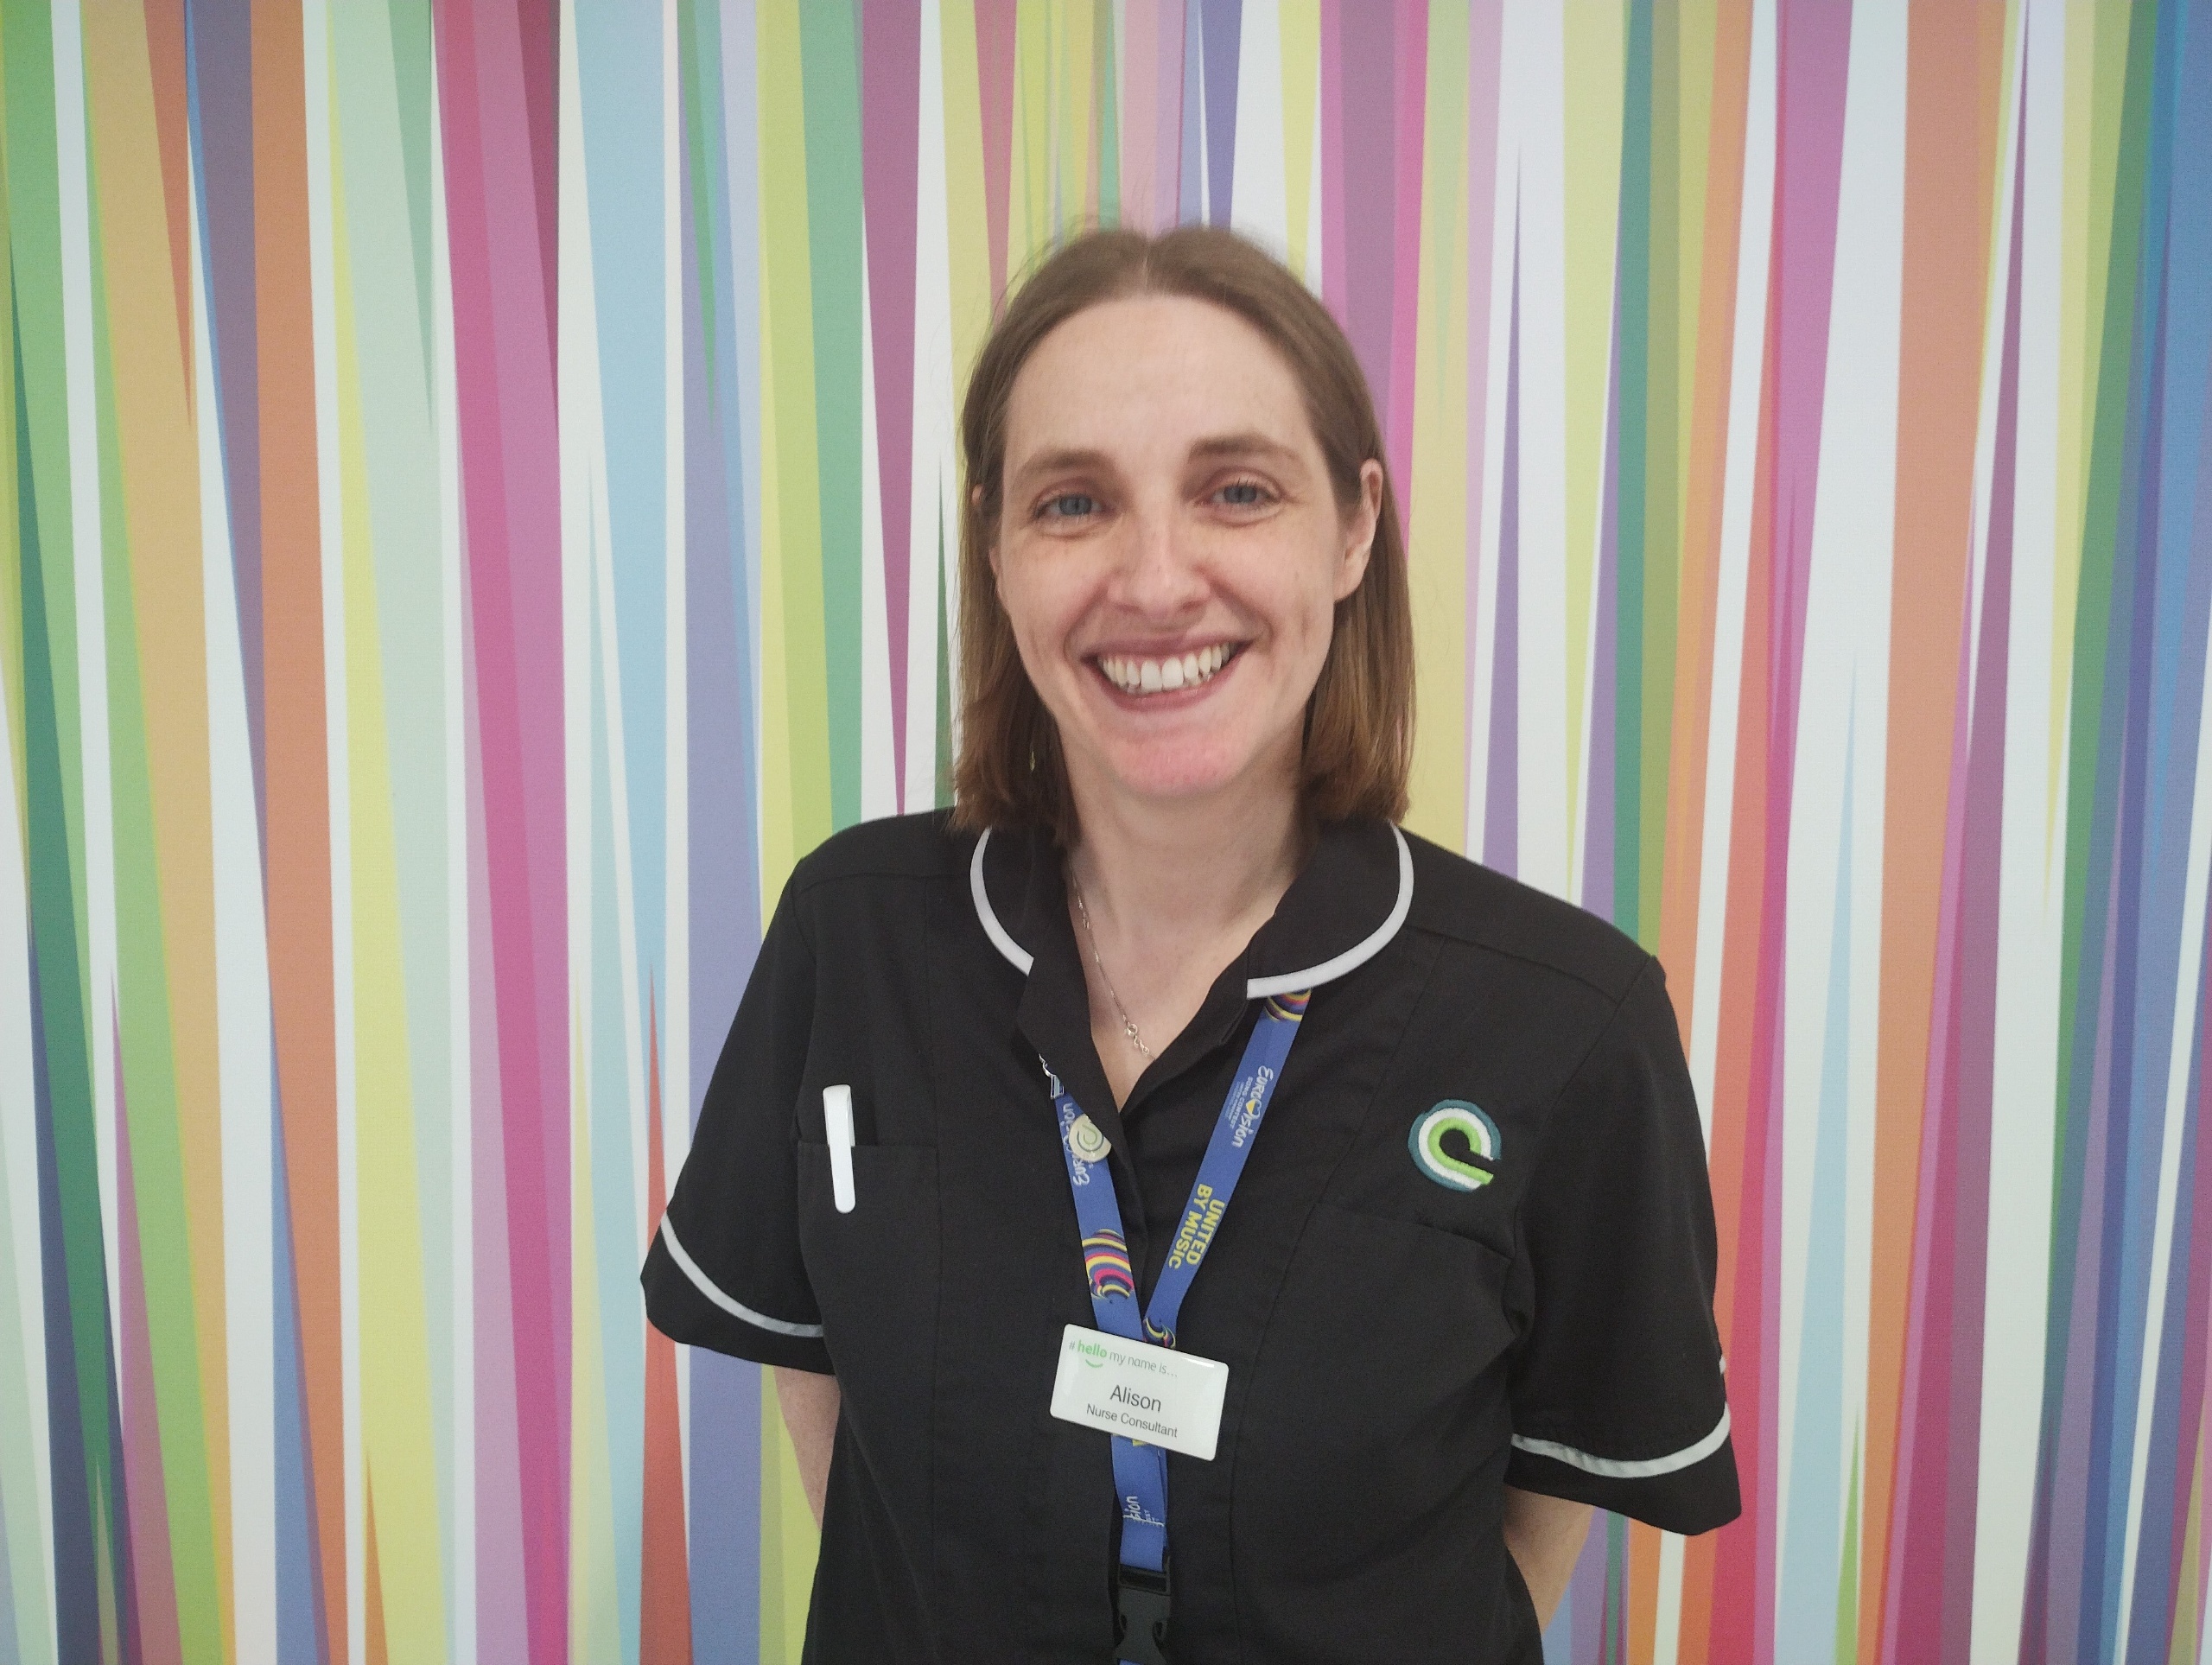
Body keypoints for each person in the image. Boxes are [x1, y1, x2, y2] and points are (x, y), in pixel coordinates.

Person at [642, 225, 1738, 1663]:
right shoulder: (854, 932)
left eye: (1236, 490)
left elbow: (1539, 1507)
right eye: (1075, 501)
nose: (1156, 581)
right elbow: (821, 1387)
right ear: (997, 548)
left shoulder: (1569, 1022)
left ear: (1351, 530)